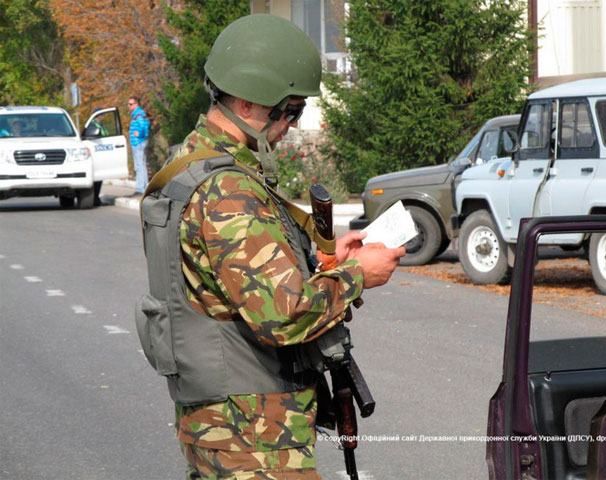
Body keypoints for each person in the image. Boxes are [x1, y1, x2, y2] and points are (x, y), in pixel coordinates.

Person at [137, 14, 405, 480]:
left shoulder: (191, 164)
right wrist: (360, 273)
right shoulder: (227, 191)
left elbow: (235, 279)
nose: (291, 126)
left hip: (227, 427)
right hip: (251, 436)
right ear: (247, 103)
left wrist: (327, 258)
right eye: (291, 111)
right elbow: (283, 314)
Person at [128, 96, 150, 194]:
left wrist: (140, 135)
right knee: (141, 165)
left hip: (138, 143)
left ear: (136, 104)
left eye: (131, 104)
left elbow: (144, 126)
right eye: (128, 104)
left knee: (139, 165)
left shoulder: (139, 114)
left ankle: (140, 188)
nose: (129, 106)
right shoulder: (136, 114)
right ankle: (143, 186)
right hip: (137, 143)